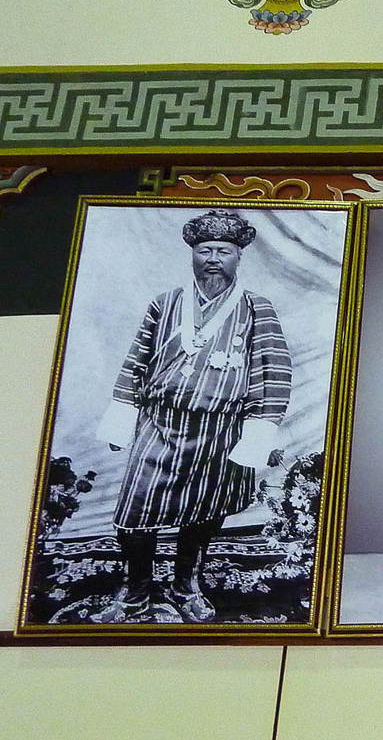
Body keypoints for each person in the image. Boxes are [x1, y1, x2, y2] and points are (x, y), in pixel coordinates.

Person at [92, 209, 292, 623]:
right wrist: (122, 417)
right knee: (136, 510)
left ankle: (187, 586)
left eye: (223, 250)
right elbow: (136, 361)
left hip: (221, 428)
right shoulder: (164, 304)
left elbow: (273, 370)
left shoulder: (257, 309)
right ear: (193, 256)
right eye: (205, 250)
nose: (214, 258)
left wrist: (259, 432)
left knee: (204, 511)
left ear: (239, 257)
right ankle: (135, 591)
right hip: (161, 423)